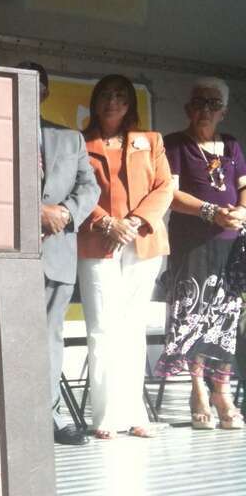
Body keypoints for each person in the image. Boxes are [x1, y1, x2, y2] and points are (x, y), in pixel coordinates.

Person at [77, 74, 172, 439]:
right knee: (103, 329)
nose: (113, 101)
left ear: (130, 102)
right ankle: (105, 416)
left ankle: (135, 414)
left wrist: (133, 221)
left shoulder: (151, 141)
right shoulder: (80, 143)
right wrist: (107, 224)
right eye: (105, 95)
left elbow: (164, 187)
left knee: (133, 328)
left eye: (120, 95)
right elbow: (74, 188)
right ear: (95, 101)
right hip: (96, 243)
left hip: (142, 242)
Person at [155, 77, 246, 429]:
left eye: (212, 103)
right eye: (198, 102)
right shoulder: (175, 144)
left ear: (223, 111)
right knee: (193, 316)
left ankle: (222, 389)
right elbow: (171, 195)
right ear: (187, 108)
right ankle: (197, 389)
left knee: (226, 317)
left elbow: (243, 187)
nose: (204, 109)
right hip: (191, 244)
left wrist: (240, 212)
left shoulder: (233, 145)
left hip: (231, 244)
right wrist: (211, 211)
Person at [19, 62, 99, 446]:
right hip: (5, 255)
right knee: (4, 337)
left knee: (49, 338)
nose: (30, 89)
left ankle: (48, 418)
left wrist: (66, 213)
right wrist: (33, 211)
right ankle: (10, 419)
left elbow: (90, 187)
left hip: (56, 253)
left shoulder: (71, 139)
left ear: (46, 91)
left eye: (38, 85)